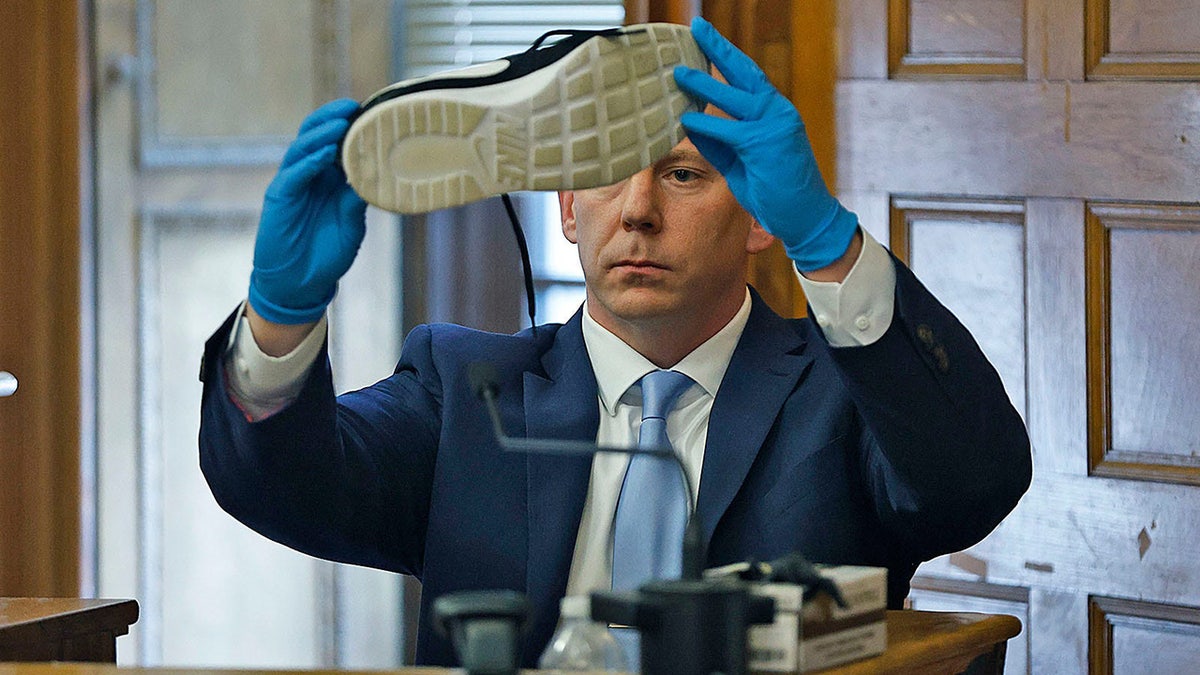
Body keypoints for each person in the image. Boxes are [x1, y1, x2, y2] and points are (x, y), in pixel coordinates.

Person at [198, 17, 1031, 668]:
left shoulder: (846, 403)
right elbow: (279, 486)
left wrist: (830, 243)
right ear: (566, 208)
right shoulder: (463, 390)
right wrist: (280, 318)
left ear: (760, 215)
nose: (636, 210)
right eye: (605, 173)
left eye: (682, 173)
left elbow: (976, 481)